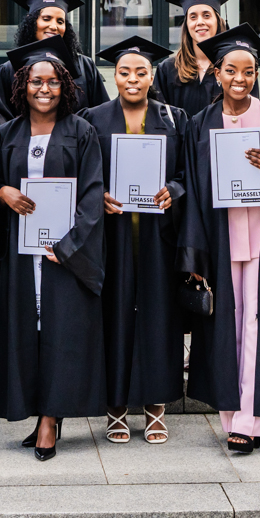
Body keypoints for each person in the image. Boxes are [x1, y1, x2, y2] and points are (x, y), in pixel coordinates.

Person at [0, 35, 106, 461]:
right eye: (36, 81)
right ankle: (35, 410)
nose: (45, 89)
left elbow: (92, 194)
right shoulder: (6, 133)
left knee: (60, 333)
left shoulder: (82, 132)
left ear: (66, 85)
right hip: (21, 254)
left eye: (54, 81)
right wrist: (2, 191)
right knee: (27, 332)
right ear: (22, 84)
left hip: (63, 253)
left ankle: (50, 420)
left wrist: (69, 245)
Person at [178, 24, 260, 455]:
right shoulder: (199, 124)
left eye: (248, 71)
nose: (239, 79)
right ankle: (232, 415)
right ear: (217, 73)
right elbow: (191, 186)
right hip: (221, 239)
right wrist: (194, 252)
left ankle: (251, 420)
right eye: (230, 70)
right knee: (229, 323)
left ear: (257, 74)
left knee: (258, 323)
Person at [84, 36, 188, 445]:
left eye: (140, 72)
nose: (132, 79)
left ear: (152, 77)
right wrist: (98, 196)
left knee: (159, 320)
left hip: (158, 237)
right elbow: (82, 174)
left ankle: (156, 404)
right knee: (114, 318)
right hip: (113, 236)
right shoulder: (93, 119)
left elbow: (188, 173)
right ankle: (116, 405)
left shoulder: (174, 118)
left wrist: (174, 190)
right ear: (114, 76)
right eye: (124, 72)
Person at [0, 0, 110, 111]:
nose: (54, 26)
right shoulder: (10, 70)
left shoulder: (85, 67)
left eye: (60, 21)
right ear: (31, 22)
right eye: (46, 19)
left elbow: (102, 112)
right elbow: (2, 116)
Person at [154, 0, 235, 118]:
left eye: (206, 15)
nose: (200, 22)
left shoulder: (234, 67)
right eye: (193, 17)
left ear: (217, 21)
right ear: (186, 25)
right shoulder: (168, 69)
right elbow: (158, 118)